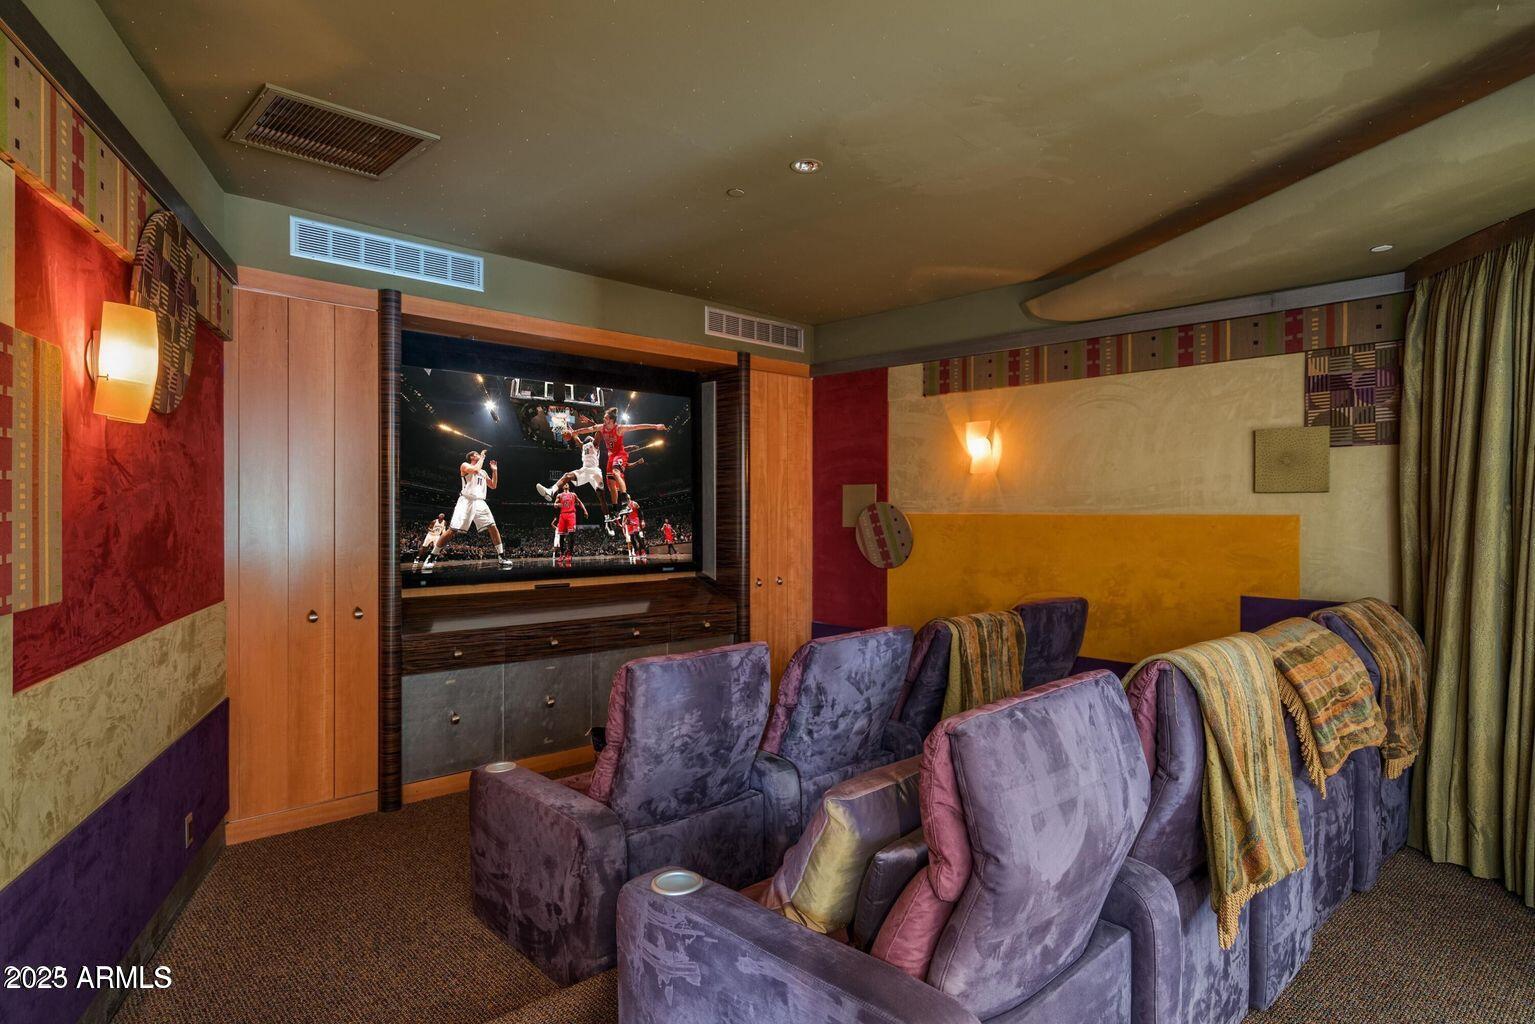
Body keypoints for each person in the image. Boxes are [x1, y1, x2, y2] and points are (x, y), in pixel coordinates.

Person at [422, 450, 513, 571]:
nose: (479, 455)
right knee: (452, 530)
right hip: (466, 500)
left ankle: (501, 556)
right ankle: (432, 556)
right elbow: (475, 470)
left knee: (493, 526)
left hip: (480, 501)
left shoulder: (484, 471)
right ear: (471, 456)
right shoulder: (465, 465)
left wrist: (495, 471)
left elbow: (493, 485)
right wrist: (483, 457)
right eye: (477, 454)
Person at [568, 407, 667, 516]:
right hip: (611, 457)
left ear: (611, 420)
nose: (603, 420)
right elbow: (589, 429)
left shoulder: (619, 429)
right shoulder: (602, 427)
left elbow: (637, 426)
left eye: (605, 418)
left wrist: (655, 426)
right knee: (610, 485)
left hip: (620, 454)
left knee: (615, 473)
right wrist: (574, 432)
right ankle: (615, 509)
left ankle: (625, 502)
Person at [536, 435, 611, 527]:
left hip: (595, 472)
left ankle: (608, 521)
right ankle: (551, 491)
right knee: (567, 475)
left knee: (601, 497)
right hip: (584, 470)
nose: (591, 439)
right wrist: (567, 425)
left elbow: (598, 432)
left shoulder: (594, 444)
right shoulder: (583, 446)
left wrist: (599, 426)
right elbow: (575, 436)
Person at [551, 481, 587, 569]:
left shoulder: (573, 494)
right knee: (561, 536)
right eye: (564, 484)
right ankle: (562, 554)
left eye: (567, 483)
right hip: (562, 515)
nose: (566, 484)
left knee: (571, 535)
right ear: (562, 487)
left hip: (571, 515)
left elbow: (580, 502)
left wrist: (585, 510)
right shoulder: (559, 495)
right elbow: (555, 504)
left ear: (569, 486)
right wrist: (556, 504)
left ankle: (569, 554)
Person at [622, 495, 648, 565]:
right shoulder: (625, 506)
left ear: (629, 498)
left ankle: (643, 551)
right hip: (629, 522)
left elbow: (640, 512)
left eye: (627, 498)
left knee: (636, 534)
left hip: (635, 520)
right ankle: (636, 552)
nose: (626, 500)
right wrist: (624, 522)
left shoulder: (634, 503)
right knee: (632, 538)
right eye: (625, 499)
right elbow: (625, 515)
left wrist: (642, 520)